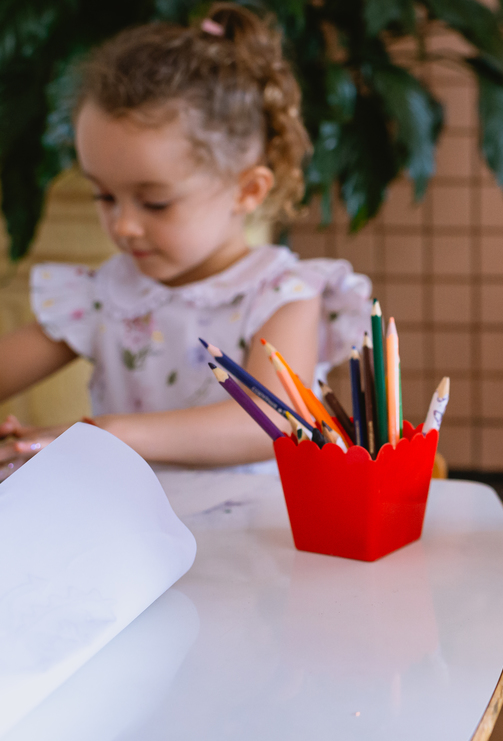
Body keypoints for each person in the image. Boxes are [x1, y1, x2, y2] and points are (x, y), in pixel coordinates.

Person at [0, 4, 369, 467]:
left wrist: (104, 434)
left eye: (155, 202)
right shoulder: (102, 296)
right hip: (132, 516)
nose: (123, 225)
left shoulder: (283, 295)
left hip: (255, 515)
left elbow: (274, 421)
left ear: (247, 191)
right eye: (104, 196)